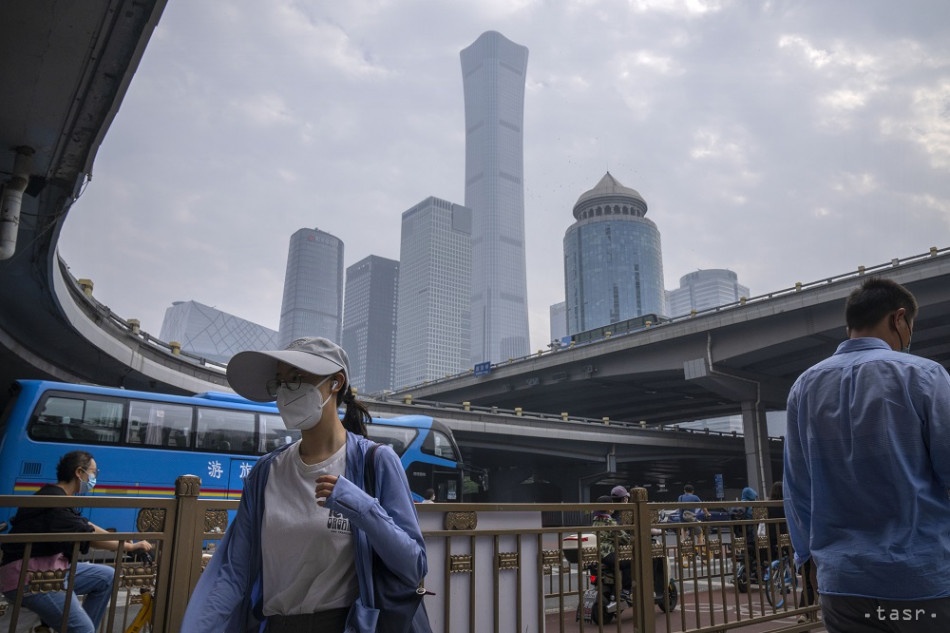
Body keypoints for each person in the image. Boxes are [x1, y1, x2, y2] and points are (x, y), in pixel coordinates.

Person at [181, 337, 431, 633]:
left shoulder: (376, 462)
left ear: (335, 383)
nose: (285, 392)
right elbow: (234, 572)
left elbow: (414, 566)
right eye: (280, 382)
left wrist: (362, 507)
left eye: (297, 378)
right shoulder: (266, 472)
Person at [784, 277, 950, 633]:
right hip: (921, 580)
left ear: (850, 326)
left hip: (842, 585)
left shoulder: (804, 386)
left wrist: (807, 561)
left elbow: (797, 488)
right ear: (899, 319)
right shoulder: (924, 376)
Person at [0, 450, 152, 633]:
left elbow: (85, 525)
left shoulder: (56, 497)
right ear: (79, 473)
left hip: (51, 570)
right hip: (31, 577)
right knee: (82, 629)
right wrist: (129, 546)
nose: (95, 477)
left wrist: (122, 543)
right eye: (94, 472)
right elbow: (86, 533)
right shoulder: (54, 502)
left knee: (106, 577)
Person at [591, 495, 631, 599]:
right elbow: (625, 538)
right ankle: (626, 590)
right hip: (607, 554)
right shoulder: (610, 521)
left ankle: (614, 590)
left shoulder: (595, 521)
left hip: (596, 554)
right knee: (628, 562)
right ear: (608, 508)